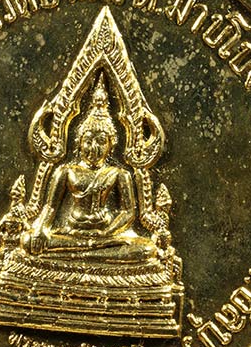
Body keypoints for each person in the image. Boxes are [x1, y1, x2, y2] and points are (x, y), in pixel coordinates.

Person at [22, 75, 157, 262]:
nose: (94, 147)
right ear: (79, 143)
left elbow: (128, 212)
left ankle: (79, 256)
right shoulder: (66, 171)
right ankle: (88, 256)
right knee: (27, 240)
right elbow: (50, 207)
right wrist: (41, 228)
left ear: (111, 145)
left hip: (105, 236)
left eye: (101, 141)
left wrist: (106, 233)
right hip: (71, 233)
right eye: (88, 140)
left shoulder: (119, 174)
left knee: (147, 248)